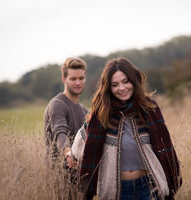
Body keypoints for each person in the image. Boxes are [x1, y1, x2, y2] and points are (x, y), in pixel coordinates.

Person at [71, 57, 182, 200]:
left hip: (148, 186)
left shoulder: (149, 108)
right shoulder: (102, 113)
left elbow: (165, 147)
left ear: (133, 80)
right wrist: (71, 155)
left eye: (125, 81)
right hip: (116, 190)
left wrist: (172, 180)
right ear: (108, 88)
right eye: (115, 85)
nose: (122, 88)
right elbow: (85, 147)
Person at [44, 57, 88, 198]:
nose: (78, 82)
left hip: (79, 178)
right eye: (73, 78)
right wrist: (68, 152)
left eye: (81, 78)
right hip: (59, 177)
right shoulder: (57, 104)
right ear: (64, 79)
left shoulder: (84, 110)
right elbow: (60, 131)